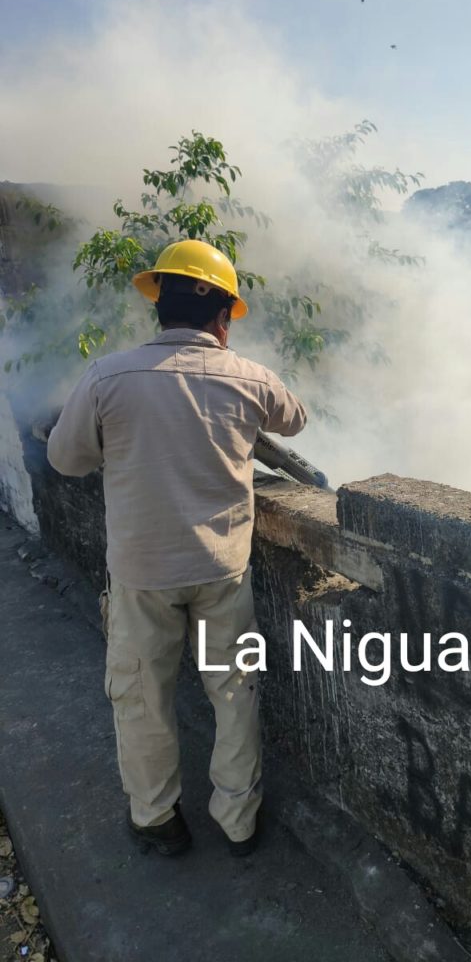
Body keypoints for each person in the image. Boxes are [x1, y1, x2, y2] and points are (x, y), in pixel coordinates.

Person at [47, 238, 307, 857]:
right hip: (223, 569)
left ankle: (158, 820)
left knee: (142, 697)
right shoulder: (247, 377)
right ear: (223, 317)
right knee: (234, 694)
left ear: (157, 308)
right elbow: (294, 420)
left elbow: (65, 458)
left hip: (142, 572)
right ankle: (238, 821)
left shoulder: (107, 376)